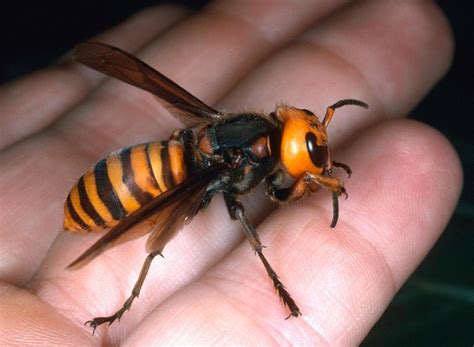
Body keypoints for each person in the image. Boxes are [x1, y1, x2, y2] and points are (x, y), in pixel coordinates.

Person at [0, 1, 461, 344]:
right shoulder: (246, 157)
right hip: (124, 188)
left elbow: (281, 188)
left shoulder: (254, 139)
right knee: (160, 235)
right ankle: (127, 301)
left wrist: (313, 175)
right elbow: (273, 196)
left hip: (153, 159)